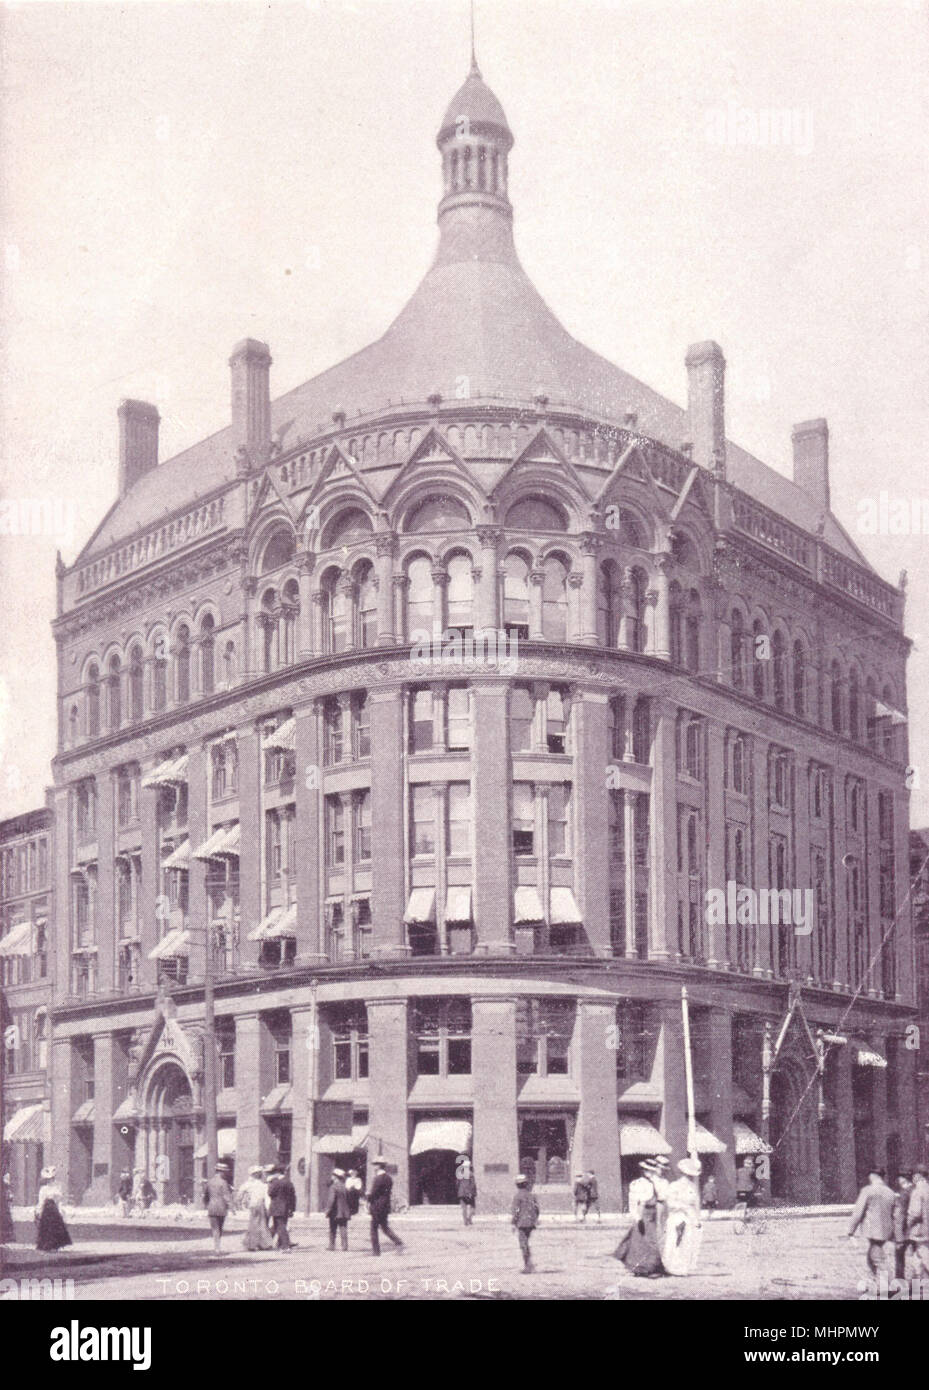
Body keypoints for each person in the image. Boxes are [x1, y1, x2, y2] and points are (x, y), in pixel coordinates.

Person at [615, 1158, 667, 1277]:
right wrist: (638, 1218)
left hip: (652, 1213)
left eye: (652, 1171)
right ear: (643, 1171)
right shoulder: (637, 1184)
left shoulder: (653, 1183)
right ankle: (644, 1268)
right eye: (648, 1170)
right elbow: (634, 1203)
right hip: (643, 1215)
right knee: (643, 1242)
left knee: (651, 1241)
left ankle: (651, 1267)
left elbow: (660, 1198)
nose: (650, 1173)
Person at [847, 1167, 895, 1275]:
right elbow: (894, 1213)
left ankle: (887, 1286)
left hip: (873, 1230)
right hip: (886, 1230)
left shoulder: (867, 1191)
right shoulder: (890, 1192)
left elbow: (858, 1212)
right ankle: (874, 1283)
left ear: (873, 1176)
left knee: (877, 1257)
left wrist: (851, 1231)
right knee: (871, 1257)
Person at [663, 1157, 704, 1275]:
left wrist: (696, 1218)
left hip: (689, 1217)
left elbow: (696, 1204)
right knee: (674, 1239)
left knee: (687, 1241)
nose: (687, 1177)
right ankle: (671, 1266)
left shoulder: (692, 1187)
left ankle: (682, 1267)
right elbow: (670, 1203)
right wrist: (683, 1207)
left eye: (689, 1175)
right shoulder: (674, 1186)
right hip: (676, 1215)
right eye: (685, 1174)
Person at [367, 1158, 403, 1255]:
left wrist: (367, 1197)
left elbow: (374, 1193)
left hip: (377, 1206)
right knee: (384, 1227)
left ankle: (376, 1251)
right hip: (385, 1205)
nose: (374, 1167)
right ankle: (398, 1241)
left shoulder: (378, 1178)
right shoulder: (388, 1178)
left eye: (375, 1165)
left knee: (374, 1228)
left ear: (379, 1166)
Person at [35, 1166, 71, 1252]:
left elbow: (59, 1201)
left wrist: (61, 1210)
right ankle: (46, 1245)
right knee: (46, 1228)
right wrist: (38, 1211)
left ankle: (55, 1245)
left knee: (56, 1227)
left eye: (52, 1178)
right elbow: (41, 1201)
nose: (51, 1180)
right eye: (49, 1179)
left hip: (54, 1210)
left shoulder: (57, 1188)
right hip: (46, 1211)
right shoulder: (43, 1189)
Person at [239, 1165, 273, 1251]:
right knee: (262, 1224)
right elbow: (267, 1197)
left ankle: (251, 1244)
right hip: (261, 1205)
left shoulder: (248, 1184)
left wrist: (241, 1201)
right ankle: (264, 1244)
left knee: (253, 1225)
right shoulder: (264, 1185)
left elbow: (240, 1193)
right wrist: (268, 1208)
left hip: (253, 1205)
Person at [511, 1174, 540, 1273]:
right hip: (531, 1223)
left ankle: (528, 1266)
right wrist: (535, 1219)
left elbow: (516, 1211)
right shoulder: (532, 1195)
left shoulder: (517, 1196)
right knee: (526, 1242)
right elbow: (537, 1209)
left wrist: (513, 1223)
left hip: (522, 1223)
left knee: (523, 1244)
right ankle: (529, 1264)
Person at [204, 1162, 233, 1256]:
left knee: (214, 1229)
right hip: (221, 1208)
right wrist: (232, 1207)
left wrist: (206, 1204)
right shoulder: (223, 1183)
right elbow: (226, 1196)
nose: (226, 1174)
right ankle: (217, 1248)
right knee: (219, 1228)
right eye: (225, 1172)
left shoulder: (210, 1182)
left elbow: (206, 1195)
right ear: (221, 1172)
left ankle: (216, 1248)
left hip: (211, 1207)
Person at [267, 1165, 297, 1250]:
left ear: (277, 1173)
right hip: (286, 1207)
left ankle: (285, 1245)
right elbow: (293, 1196)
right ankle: (280, 1244)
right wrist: (292, 1208)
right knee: (280, 1225)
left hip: (277, 1207)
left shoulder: (276, 1182)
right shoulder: (288, 1182)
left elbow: (270, 1193)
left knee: (280, 1226)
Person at [907, 1163, 929, 1277]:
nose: (912, 1178)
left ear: (918, 1175)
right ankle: (918, 1285)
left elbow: (914, 1213)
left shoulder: (917, 1191)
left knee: (924, 1254)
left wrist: (907, 1225)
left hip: (921, 1230)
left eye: (913, 1175)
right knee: (917, 1258)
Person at [891, 1173, 913, 1280]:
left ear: (903, 1179)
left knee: (899, 1257)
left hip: (905, 1231)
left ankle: (900, 1283)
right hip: (917, 1231)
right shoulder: (916, 1190)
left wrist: (898, 1236)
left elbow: (899, 1215)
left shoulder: (903, 1193)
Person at [326, 1168, 351, 1251]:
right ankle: (345, 1246)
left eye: (333, 1175)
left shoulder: (333, 1187)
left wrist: (327, 1210)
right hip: (344, 1212)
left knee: (332, 1229)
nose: (331, 1176)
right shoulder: (344, 1186)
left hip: (335, 1211)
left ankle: (331, 1246)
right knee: (343, 1228)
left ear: (335, 1177)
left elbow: (331, 1200)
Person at [456, 1155, 476, 1226]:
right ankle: (469, 1219)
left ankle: (465, 1221)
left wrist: (459, 1191)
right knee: (473, 1208)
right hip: (469, 1193)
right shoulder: (471, 1174)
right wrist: (472, 1192)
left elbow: (457, 1184)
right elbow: (473, 1184)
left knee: (464, 1208)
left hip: (461, 1193)